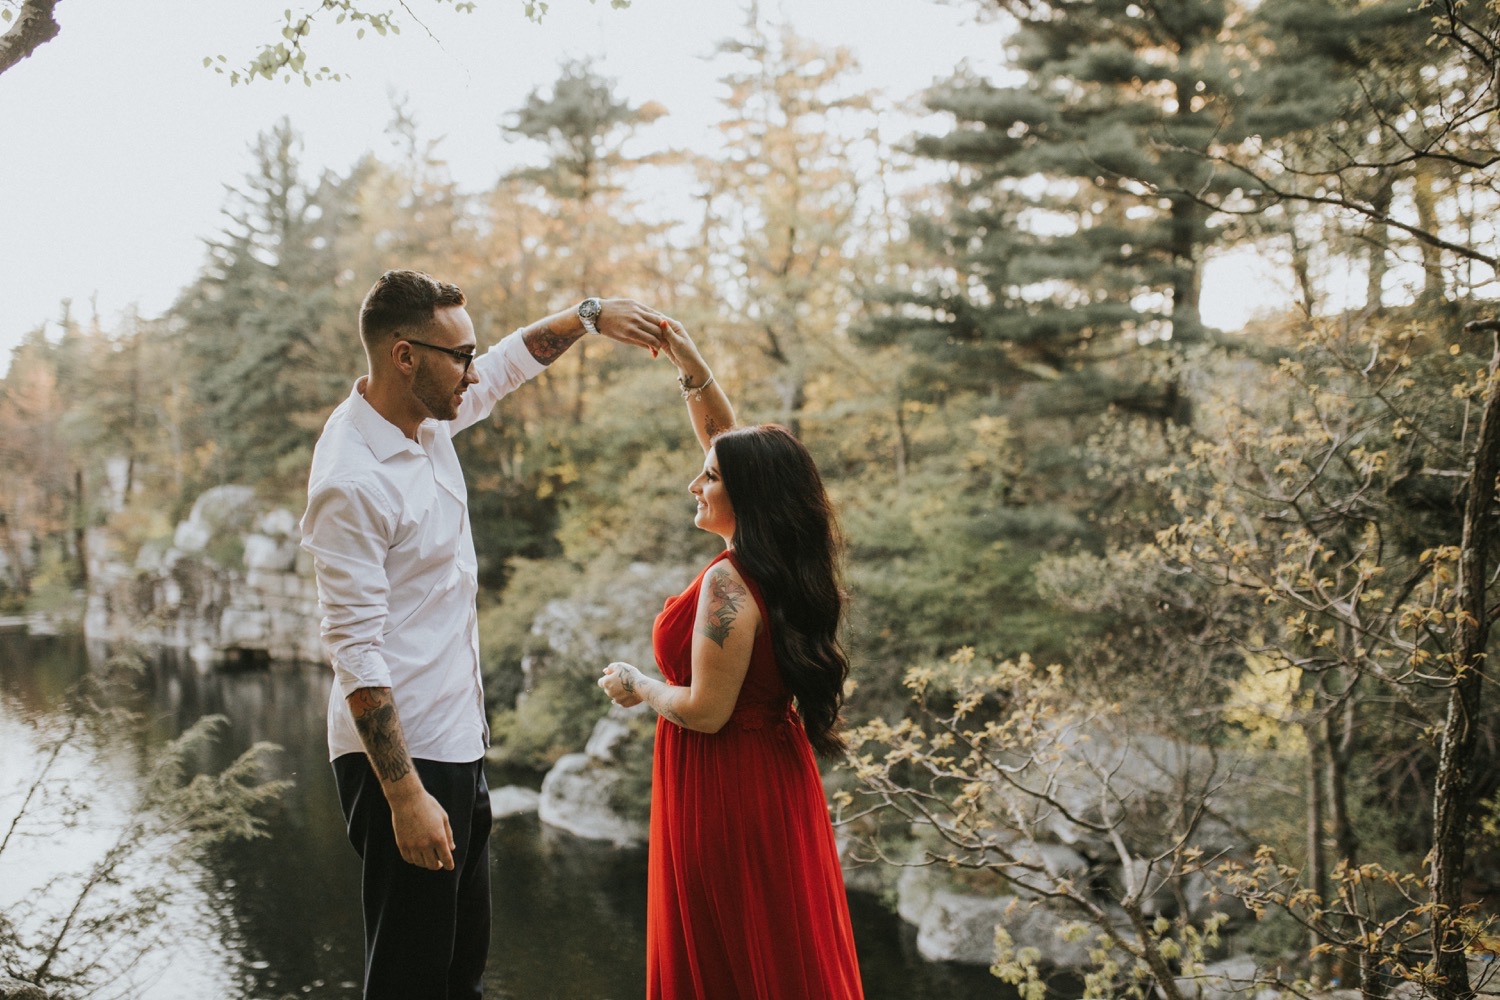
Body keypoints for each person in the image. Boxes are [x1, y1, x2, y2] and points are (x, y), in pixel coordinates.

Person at [300, 269, 663, 1000]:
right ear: (406, 356)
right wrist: (404, 796)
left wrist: (589, 315)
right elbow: (355, 651)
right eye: (458, 354)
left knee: (459, 970)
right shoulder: (352, 477)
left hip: (457, 738)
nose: (473, 368)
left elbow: (503, 368)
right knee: (410, 977)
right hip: (402, 757)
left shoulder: (426, 418)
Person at [598, 318, 865, 1000]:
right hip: (773, 771)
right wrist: (687, 361)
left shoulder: (728, 581)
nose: (695, 482)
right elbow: (732, 446)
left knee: (733, 956)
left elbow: (707, 711)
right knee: (774, 944)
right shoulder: (779, 565)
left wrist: (639, 685)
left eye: (708, 477)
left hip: (724, 783)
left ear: (744, 496)